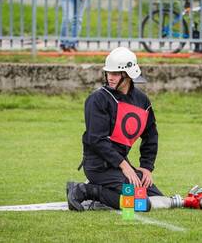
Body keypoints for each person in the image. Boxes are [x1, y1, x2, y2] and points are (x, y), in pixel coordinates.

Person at [67, 47, 166, 211]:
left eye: (115, 73)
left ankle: (106, 188)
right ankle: (86, 190)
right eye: (108, 73)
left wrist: (146, 167)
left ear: (127, 75)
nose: (110, 77)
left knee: (158, 198)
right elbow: (96, 140)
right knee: (140, 203)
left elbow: (151, 135)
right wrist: (125, 166)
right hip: (98, 166)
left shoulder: (142, 101)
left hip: (120, 165)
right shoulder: (97, 99)